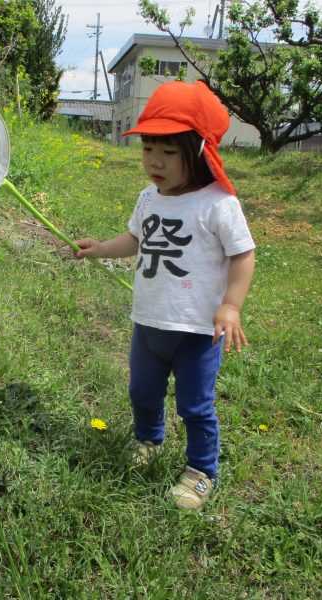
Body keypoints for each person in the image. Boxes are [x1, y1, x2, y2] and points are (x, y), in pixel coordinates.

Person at [74, 81, 256, 510]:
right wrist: (101, 249)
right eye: (147, 149)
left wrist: (231, 305)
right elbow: (135, 238)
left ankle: (200, 472)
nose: (154, 161)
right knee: (142, 391)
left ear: (198, 152)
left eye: (168, 151)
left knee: (195, 405)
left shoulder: (218, 203)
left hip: (196, 330)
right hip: (149, 323)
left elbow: (244, 255)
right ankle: (148, 441)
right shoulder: (148, 198)